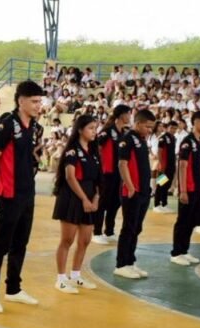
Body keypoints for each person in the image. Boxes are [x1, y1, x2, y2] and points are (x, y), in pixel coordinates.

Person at [0, 80, 45, 313]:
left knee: (21, 243)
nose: (39, 105)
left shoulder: (34, 127)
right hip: (9, 193)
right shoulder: (7, 125)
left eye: (40, 101)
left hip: (28, 193)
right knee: (0, 244)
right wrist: (1, 182)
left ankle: (14, 289)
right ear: (21, 101)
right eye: (34, 101)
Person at [53, 114, 102, 293]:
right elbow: (70, 177)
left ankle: (75, 275)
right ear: (80, 130)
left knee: (85, 240)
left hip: (89, 197)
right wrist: (84, 199)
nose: (94, 131)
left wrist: (95, 198)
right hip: (72, 197)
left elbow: (98, 179)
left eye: (95, 128)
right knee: (67, 240)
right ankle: (60, 278)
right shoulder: (72, 151)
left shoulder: (94, 152)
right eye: (90, 128)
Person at [114, 109, 155, 279]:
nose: (150, 130)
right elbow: (122, 164)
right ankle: (121, 264)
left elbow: (147, 166)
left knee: (137, 228)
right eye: (147, 126)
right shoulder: (127, 139)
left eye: (152, 127)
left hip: (144, 191)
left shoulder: (142, 140)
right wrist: (130, 187)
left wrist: (155, 185)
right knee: (128, 227)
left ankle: (130, 261)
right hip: (132, 192)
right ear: (138, 124)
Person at [169, 111, 200, 266]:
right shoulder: (187, 141)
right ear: (197, 123)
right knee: (183, 221)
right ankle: (176, 252)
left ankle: (184, 250)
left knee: (192, 220)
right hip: (188, 187)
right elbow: (183, 166)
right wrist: (183, 189)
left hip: (198, 188)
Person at [92, 105, 130, 244]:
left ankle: (109, 231)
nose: (129, 116)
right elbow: (95, 147)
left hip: (118, 173)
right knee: (102, 202)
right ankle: (96, 232)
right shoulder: (107, 131)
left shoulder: (124, 132)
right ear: (121, 115)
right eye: (128, 113)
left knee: (115, 202)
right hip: (106, 173)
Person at [152, 120, 177, 213]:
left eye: (175, 128)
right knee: (161, 184)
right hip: (164, 166)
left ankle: (164, 204)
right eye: (171, 128)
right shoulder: (163, 138)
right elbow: (159, 151)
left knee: (167, 185)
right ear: (167, 128)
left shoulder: (173, 138)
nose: (173, 130)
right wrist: (160, 164)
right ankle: (156, 204)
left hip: (171, 166)